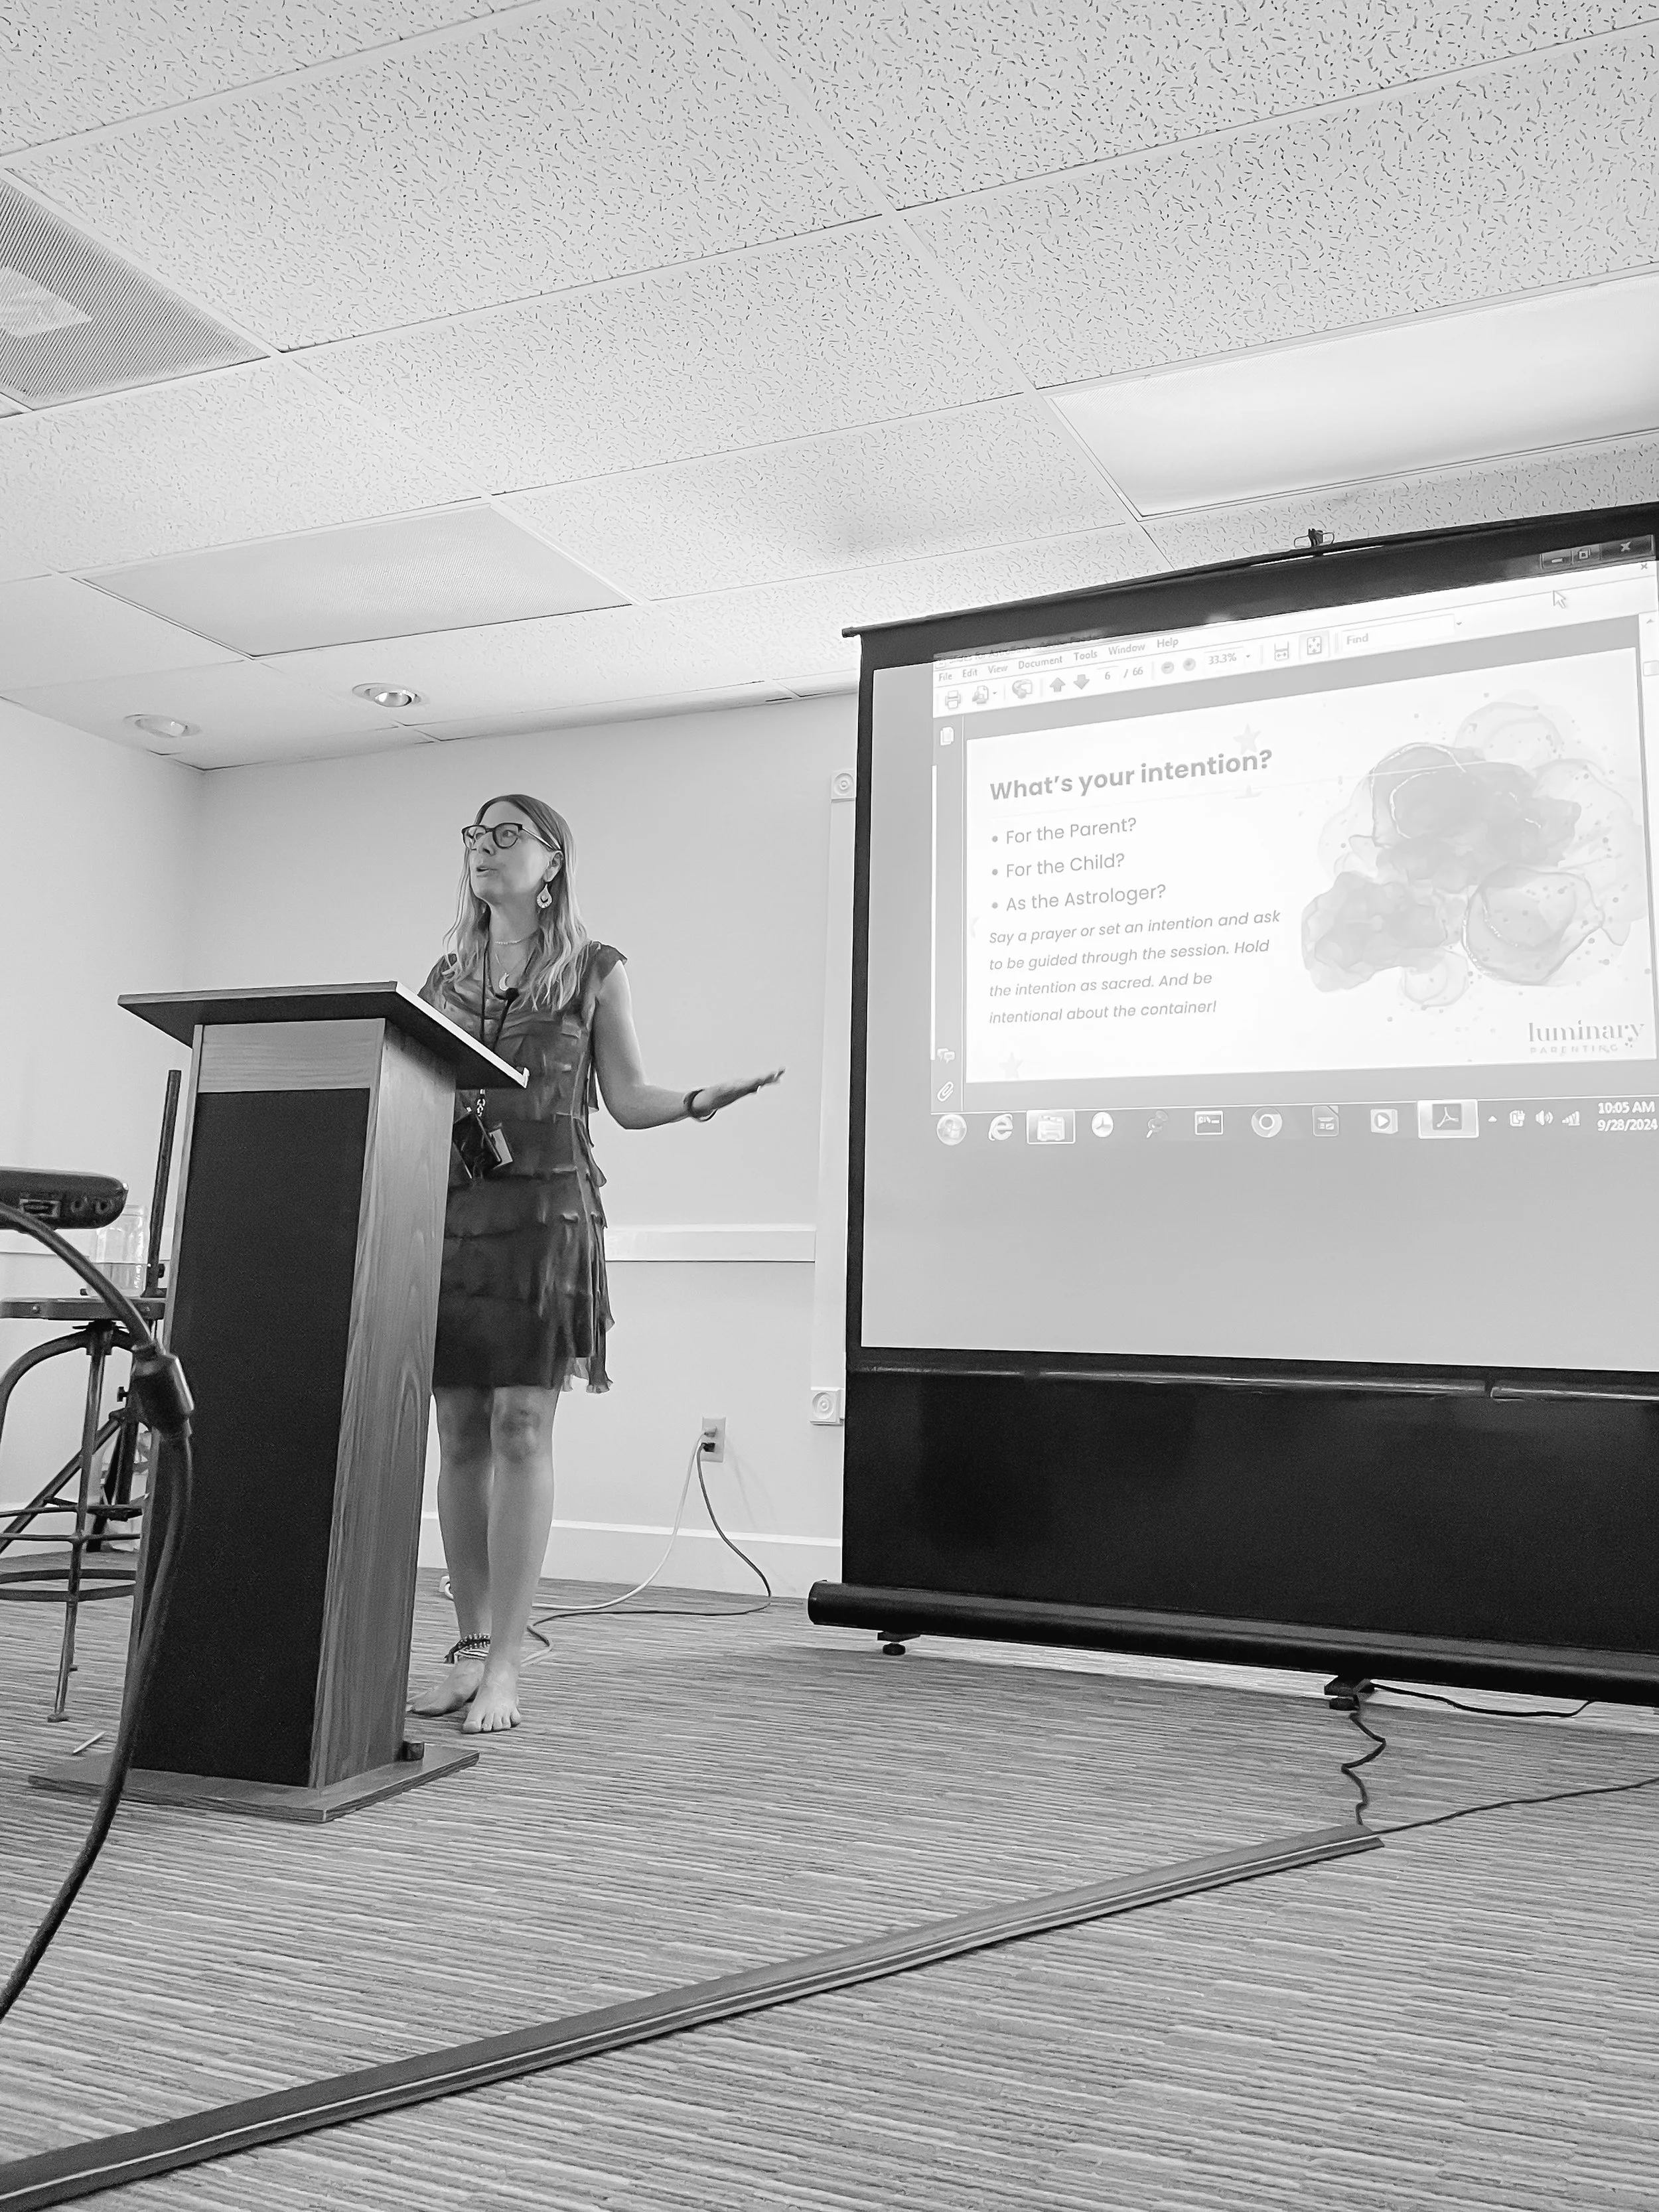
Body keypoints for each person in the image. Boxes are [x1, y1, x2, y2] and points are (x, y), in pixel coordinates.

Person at [408, 793, 780, 1733]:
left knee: (523, 1429)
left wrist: (700, 1098)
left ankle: (506, 1667)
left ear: (553, 863)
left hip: (546, 1218)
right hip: (454, 1218)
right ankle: (465, 1644)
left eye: (507, 836)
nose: (485, 851)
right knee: (457, 1433)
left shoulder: (593, 971)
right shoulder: (444, 976)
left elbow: (627, 1097)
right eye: (475, 838)